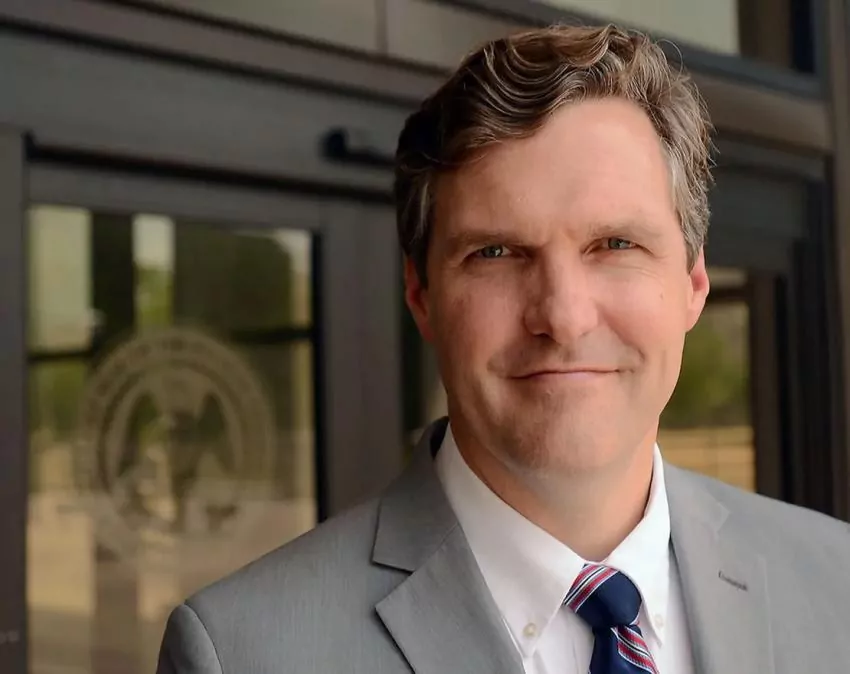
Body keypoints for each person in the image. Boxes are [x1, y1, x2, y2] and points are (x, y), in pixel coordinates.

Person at [156, 23, 850, 674]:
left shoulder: (836, 582)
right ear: (421, 293)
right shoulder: (243, 652)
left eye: (615, 244)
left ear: (693, 282)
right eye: (496, 253)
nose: (564, 317)